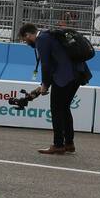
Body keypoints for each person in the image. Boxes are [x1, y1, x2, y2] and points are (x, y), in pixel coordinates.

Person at [18, 22, 86, 156]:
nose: (26, 42)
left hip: (64, 77)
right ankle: (69, 143)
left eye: (24, 39)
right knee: (65, 108)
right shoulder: (49, 35)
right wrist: (46, 85)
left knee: (56, 110)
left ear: (28, 34)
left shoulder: (41, 40)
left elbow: (46, 64)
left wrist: (44, 85)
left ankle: (58, 145)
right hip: (77, 74)